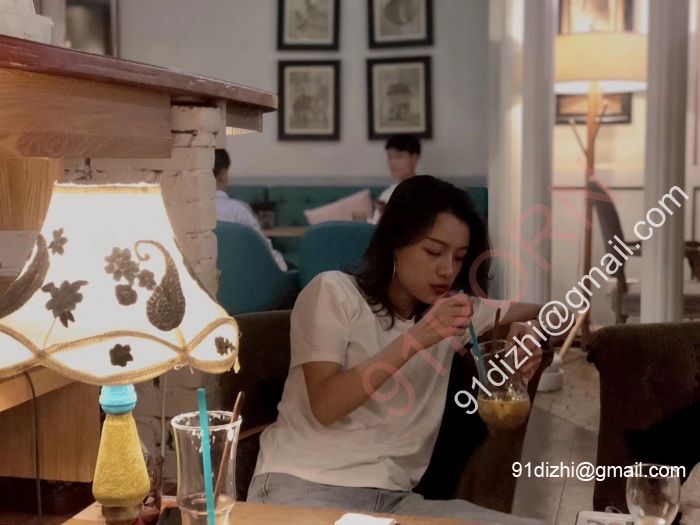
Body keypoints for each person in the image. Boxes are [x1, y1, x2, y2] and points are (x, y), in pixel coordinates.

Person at [247, 175, 545, 524]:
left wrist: (532, 329)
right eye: (433, 251)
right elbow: (326, 406)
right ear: (394, 242)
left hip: (394, 502)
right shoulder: (334, 293)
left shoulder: (453, 312)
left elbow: (558, 312)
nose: (447, 270)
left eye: (459, 257)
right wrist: (418, 338)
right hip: (302, 488)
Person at [213, 149, 287, 271]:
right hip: (247, 274)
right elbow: (264, 250)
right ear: (222, 174)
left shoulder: (189, 214)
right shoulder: (238, 210)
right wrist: (283, 268)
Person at [372, 134, 421, 223]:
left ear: (414, 158)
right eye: (389, 157)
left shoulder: (427, 192)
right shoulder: (386, 195)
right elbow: (375, 226)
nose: (392, 163)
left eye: (398, 157)